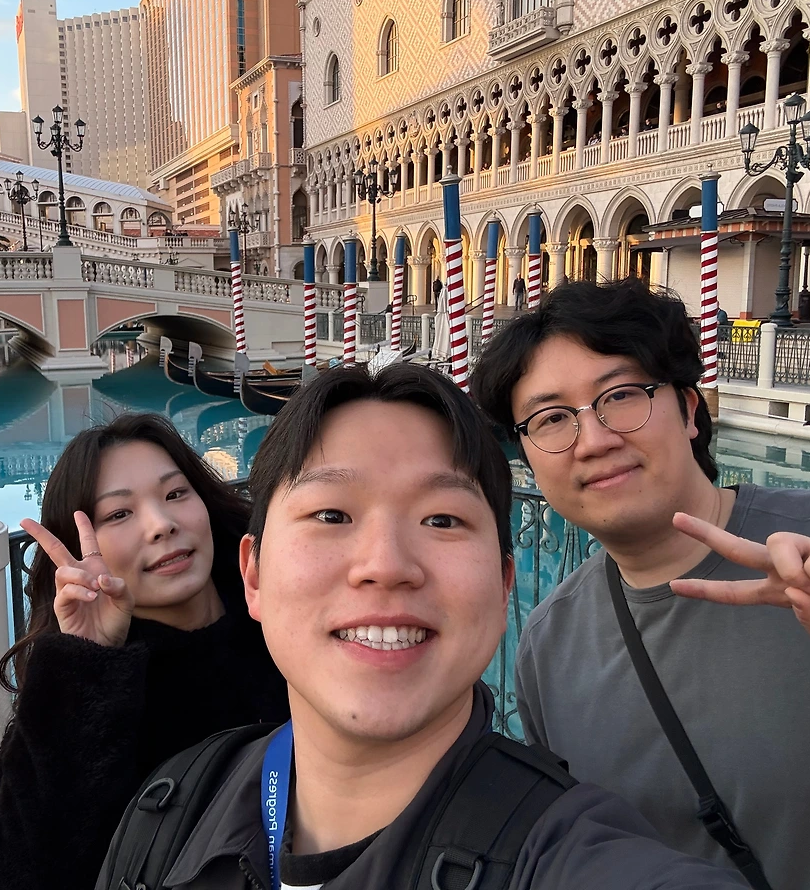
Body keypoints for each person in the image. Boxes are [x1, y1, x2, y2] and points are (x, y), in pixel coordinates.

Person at [97, 365, 746, 890]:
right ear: (255, 574)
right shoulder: (174, 806)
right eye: (331, 515)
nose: (385, 566)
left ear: (503, 585)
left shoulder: (566, 858)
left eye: (442, 520)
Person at [470, 278, 810, 890]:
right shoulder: (549, 648)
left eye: (621, 396)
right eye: (551, 419)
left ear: (687, 409)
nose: (594, 440)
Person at [0, 414, 289, 890]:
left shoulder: (286, 616)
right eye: (119, 514)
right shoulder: (88, 694)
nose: (161, 525)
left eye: (175, 493)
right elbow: (19, 874)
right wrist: (88, 662)